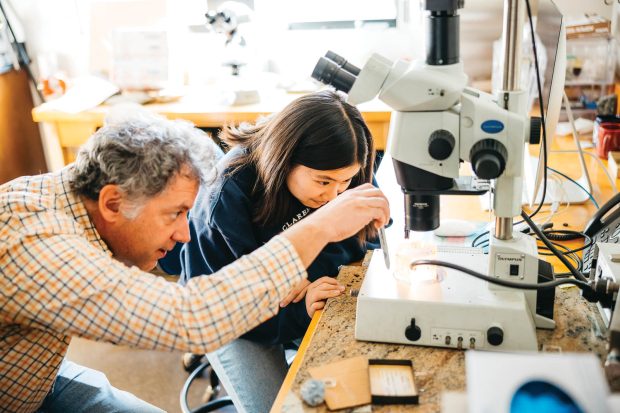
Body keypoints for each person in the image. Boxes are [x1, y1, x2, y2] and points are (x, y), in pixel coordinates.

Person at [0, 110, 390, 413]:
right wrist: (319, 228)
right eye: (175, 213)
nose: (185, 235)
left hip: (40, 377)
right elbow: (191, 318)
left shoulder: (65, 196)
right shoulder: (35, 245)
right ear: (113, 203)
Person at [158, 90, 381, 413]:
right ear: (284, 159)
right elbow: (229, 311)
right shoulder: (225, 196)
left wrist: (305, 278)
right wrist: (298, 307)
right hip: (230, 315)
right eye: (322, 182)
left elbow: (363, 241)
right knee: (278, 407)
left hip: (305, 293)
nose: (334, 195)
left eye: (344, 182)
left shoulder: (344, 165)